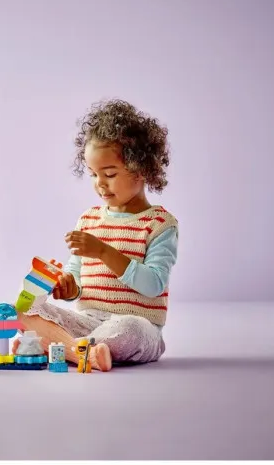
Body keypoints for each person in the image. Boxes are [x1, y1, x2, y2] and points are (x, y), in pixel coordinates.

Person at [16, 99, 179, 371]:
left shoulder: (160, 224)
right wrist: (69, 287)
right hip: (89, 323)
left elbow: (153, 285)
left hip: (138, 326)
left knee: (130, 329)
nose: (100, 183)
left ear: (141, 169)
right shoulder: (88, 220)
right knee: (24, 308)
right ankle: (81, 352)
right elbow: (76, 275)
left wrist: (103, 251)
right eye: (93, 174)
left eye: (110, 174)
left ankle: (56, 347)